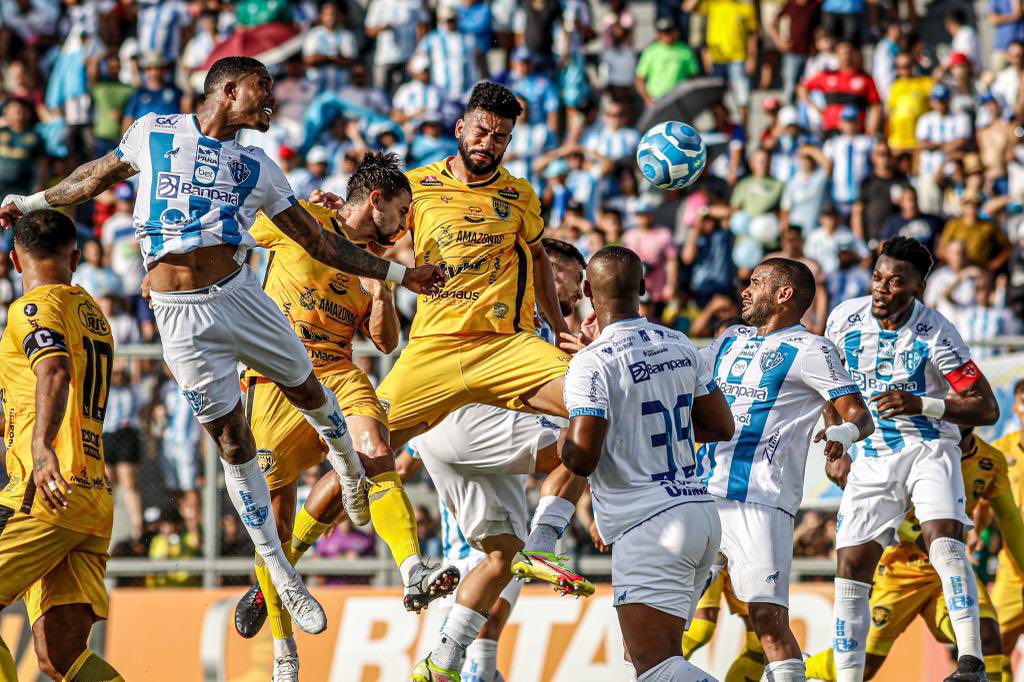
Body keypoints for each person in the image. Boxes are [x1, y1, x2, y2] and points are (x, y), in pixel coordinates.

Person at [0, 56, 445, 635]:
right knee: (233, 443)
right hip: (179, 318)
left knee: (310, 388)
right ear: (228, 89)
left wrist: (395, 277)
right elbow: (94, 178)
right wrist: (33, 203)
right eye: (263, 89)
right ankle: (284, 578)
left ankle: (346, 464)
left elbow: (318, 242)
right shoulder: (154, 132)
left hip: (238, 295)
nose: (271, 102)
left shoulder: (259, 166)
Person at [229, 161, 457, 681]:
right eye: (399, 212)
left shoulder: (378, 263)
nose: (403, 227)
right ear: (374, 200)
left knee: (376, 447)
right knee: (276, 525)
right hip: (274, 377)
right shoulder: (302, 218)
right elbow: (234, 233)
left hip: (335, 369)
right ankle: (285, 655)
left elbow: (384, 342)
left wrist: (383, 292)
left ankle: (412, 570)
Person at [406, 237, 589, 682]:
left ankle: (442, 664)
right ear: (553, 269)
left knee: (504, 559)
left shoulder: (546, 325)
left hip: (452, 438)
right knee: (593, 431)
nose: (581, 294)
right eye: (577, 280)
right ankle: (545, 545)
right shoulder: (516, 298)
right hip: (472, 423)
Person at [824, 236, 1001, 681]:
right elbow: (829, 382)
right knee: (851, 565)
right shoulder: (844, 318)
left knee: (942, 540)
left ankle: (971, 663)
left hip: (928, 447)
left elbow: (986, 407)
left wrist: (922, 404)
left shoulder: (935, 331)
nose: (882, 288)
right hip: (870, 452)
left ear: (918, 286)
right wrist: (839, 438)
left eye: (895, 281)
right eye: (878, 277)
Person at [557, 245, 735, 681]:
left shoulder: (591, 362)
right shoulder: (678, 342)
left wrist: (559, 432)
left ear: (585, 291)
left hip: (650, 526)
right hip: (699, 515)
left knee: (656, 668)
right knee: (656, 661)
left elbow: (581, 457)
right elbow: (719, 426)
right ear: (641, 287)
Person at [699, 258, 873, 681]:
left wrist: (843, 436)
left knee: (768, 624)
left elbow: (859, 414)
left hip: (759, 502)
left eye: (755, 283)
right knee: (664, 619)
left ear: (783, 294)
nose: (745, 290)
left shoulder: (812, 349)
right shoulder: (729, 340)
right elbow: (680, 372)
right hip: (697, 497)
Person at [0, 209, 123, 681]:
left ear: (15, 260)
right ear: (75, 257)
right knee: (62, 656)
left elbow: (53, 371)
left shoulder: (31, 309)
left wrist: (41, 446)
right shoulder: (92, 313)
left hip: (45, 489)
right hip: (90, 498)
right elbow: (35, 396)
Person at [804, 427, 1024, 680]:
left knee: (987, 637)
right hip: (901, 571)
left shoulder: (990, 459)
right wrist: (931, 538)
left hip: (946, 574)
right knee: (865, 666)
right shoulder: (914, 448)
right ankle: (802, 668)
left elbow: (1012, 525)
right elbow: (890, 514)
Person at [991, 380, 1024, 679]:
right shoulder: (1001, 450)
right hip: (1013, 565)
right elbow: (981, 494)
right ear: (1015, 408)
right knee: (995, 642)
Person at [634, 18, 701, 107]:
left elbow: (693, 77)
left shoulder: (685, 50)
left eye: (669, 32)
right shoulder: (651, 51)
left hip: (678, 100)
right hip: (655, 99)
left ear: (676, 32)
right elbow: (640, 78)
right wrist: (647, 98)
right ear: (658, 34)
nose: (667, 35)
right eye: (664, 32)